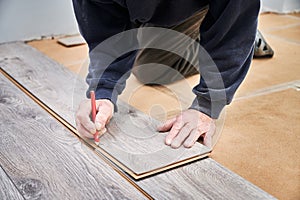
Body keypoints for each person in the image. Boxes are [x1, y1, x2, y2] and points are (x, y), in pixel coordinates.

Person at [73, 0, 261, 149]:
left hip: (205, 7)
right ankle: (202, 40)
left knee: (229, 31)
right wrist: (103, 91)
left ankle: (244, 39)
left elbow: (233, 25)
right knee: (151, 71)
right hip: (158, 12)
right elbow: (106, 32)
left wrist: (206, 105)